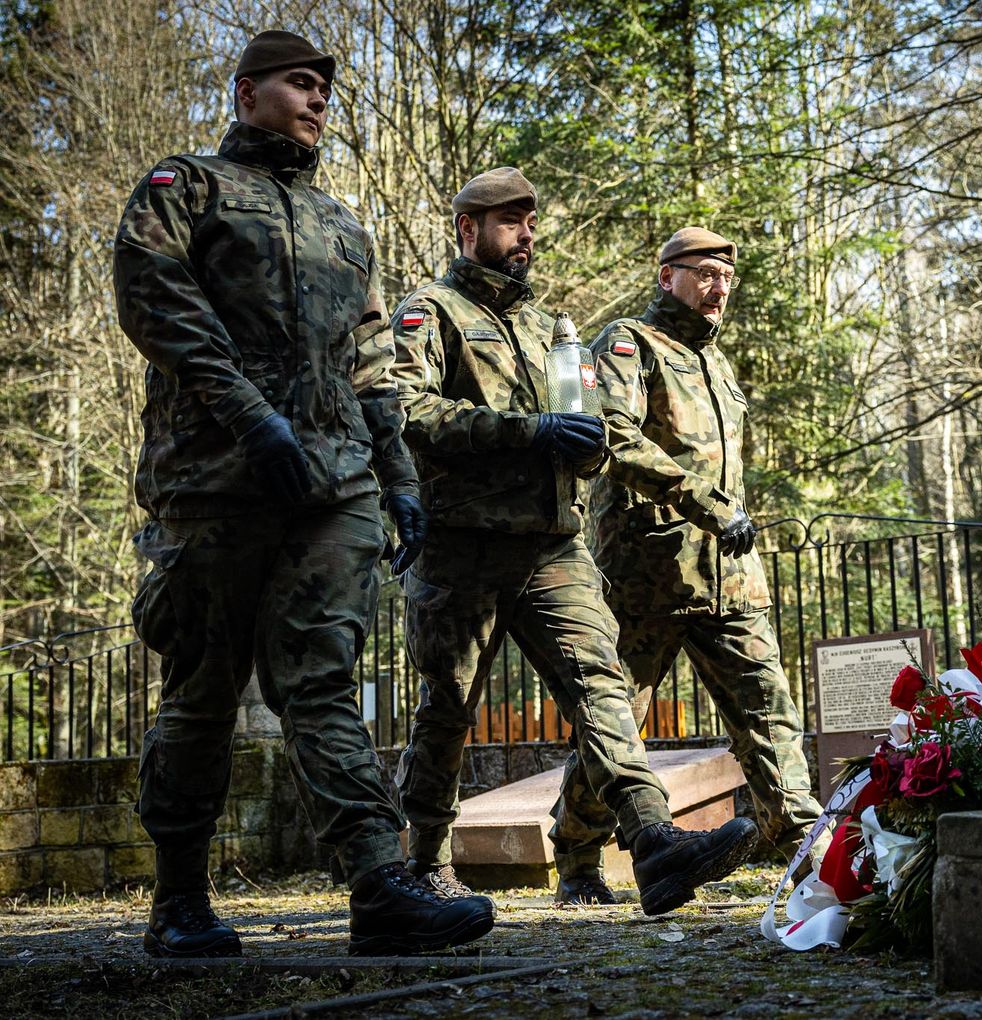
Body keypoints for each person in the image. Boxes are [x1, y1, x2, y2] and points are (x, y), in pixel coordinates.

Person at [114, 30, 495, 957]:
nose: (319, 99)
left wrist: (398, 478)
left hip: (332, 486)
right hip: (214, 481)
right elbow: (153, 297)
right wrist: (252, 418)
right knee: (204, 687)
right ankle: (179, 901)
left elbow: (370, 362)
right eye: (299, 83)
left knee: (322, 679)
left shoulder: (341, 225)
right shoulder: (187, 187)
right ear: (247, 93)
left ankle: (378, 886)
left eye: (325, 88)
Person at [388, 170, 758, 915]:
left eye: (531, 223)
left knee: (602, 688)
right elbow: (408, 409)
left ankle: (653, 839)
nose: (526, 235)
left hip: (553, 545)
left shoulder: (548, 328)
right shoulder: (432, 312)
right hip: (463, 547)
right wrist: (530, 432)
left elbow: (584, 426)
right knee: (449, 707)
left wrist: (583, 448)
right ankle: (425, 863)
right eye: (509, 222)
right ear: (467, 230)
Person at [550, 228, 823, 902]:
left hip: (731, 578)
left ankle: (808, 851)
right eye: (704, 273)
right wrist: (707, 504)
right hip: (649, 575)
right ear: (666, 275)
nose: (718, 287)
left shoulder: (717, 362)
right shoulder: (630, 344)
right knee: (616, 721)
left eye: (726, 277)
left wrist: (728, 518)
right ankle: (578, 857)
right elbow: (614, 435)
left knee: (768, 710)